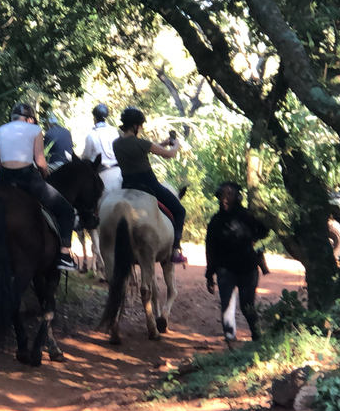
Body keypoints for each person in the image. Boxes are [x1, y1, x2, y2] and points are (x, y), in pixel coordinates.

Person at [0, 103, 76, 271]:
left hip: (5, 180)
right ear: (30, 119)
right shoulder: (35, 130)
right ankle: (65, 255)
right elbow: (40, 163)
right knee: (66, 210)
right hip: (28, 179)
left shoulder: (0, 130)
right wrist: (44, 176)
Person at [112, 107, 187, 264]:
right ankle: (175, 249)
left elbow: (140, 151)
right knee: (180, 210)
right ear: (135, 126)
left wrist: (163, 143)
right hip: (148, 184)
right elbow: (169, 154)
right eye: (140, 125)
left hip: (127, 185)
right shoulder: (142, 143)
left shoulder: (116, 144)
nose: (141, 128)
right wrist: (175, 145)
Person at [205, 181, 270, 342]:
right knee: (227, 305)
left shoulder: (248, 216)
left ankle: (257, 337)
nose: (224, 200)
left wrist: (252, 238)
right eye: (221, 196)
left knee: (247, 306)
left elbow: (265, 229)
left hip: (248, 268)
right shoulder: (215, 222)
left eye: (229, 195)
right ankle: (230, 340)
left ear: (238, 197)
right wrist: (209, 275)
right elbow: (210, 250)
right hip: (225, 269)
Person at [81, 103, 122, 188]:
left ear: (94, 118)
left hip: (100, 169)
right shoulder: (114, 131)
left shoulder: (91, 135)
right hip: (117, 166)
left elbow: (86, 156)